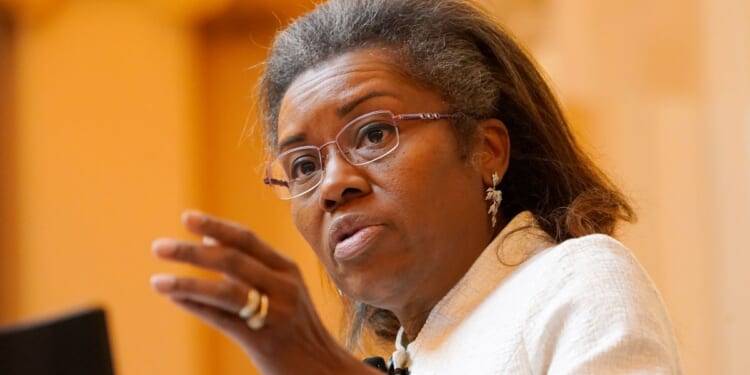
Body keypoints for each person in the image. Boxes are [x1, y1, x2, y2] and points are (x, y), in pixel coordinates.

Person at [150, 0, 683, 373]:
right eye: (304, 167)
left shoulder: (574, 281)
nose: (334, 185)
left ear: (485, 149)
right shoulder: (413, 352)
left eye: (375, 133)